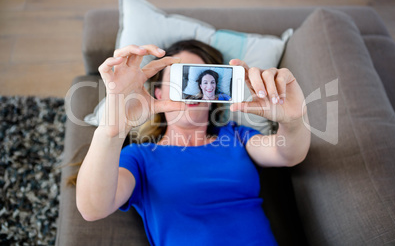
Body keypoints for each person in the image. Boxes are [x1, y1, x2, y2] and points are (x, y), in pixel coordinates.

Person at [76, 39, 311, 246]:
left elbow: (288, 154)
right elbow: (93, 208)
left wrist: (294, 120)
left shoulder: (236, 136)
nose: (193, 90)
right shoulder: (140, 156)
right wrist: (111, 129)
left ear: (215, 93)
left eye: (201, 79)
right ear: (158, 93)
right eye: (179, 80)